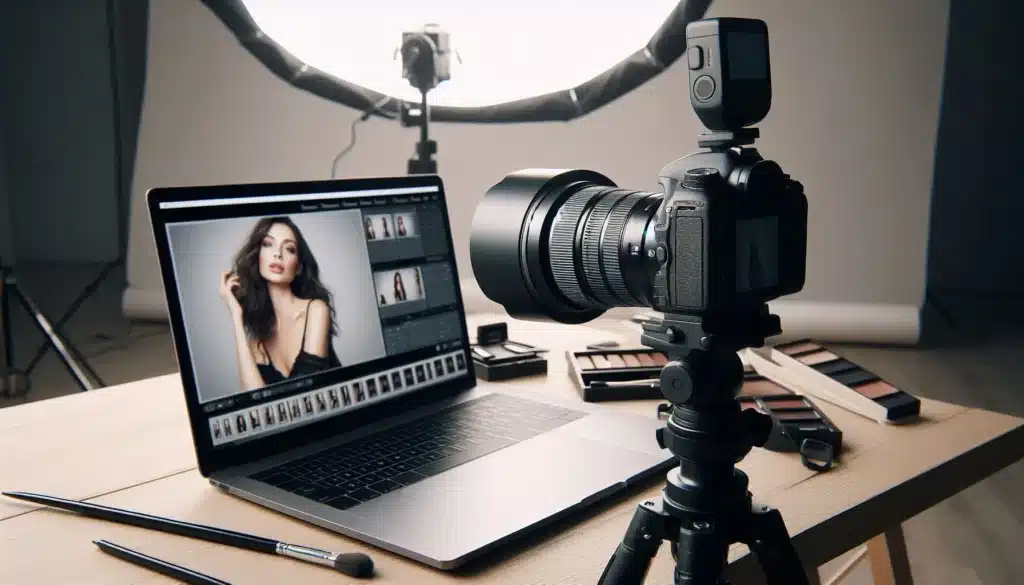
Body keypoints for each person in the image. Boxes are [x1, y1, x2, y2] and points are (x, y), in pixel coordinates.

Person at [219, 217, 342, 392]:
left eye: (289, 249)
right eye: (268, 244)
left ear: (298, 266)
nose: (278, 253)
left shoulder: (316, 310)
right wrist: (236, 316)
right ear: (257, 257)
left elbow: (305, 392)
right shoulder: (257, 346)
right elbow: (257, 403)